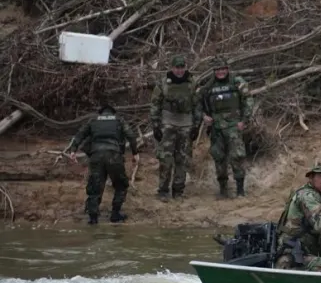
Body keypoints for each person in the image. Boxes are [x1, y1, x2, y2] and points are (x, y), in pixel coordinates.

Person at [66, 104, 139, 225]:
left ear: (101, 113)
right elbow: (131, 136)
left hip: (96, 156)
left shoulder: (93, 120)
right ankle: (115, 214)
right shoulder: (119, 120)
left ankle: (93, 218)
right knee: (121, 184)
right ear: (112, 113)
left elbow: (79, 135)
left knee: (95, 187)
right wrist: (135, 153)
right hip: (114, 156)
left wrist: (73, 150)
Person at [197, 57, 252, 198]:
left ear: (227, 69)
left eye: (223, 69)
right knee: (219, 157)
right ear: (214, 71)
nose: (220, 72)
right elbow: (196, 103)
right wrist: (204, 116)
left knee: (237, 156)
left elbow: (248, 100)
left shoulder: (236, 81)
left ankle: (240, 190)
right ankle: (223, 190)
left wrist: (244, 120)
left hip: (234, 125)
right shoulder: (208, 86)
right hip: (216, 127)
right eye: (217, 70)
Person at [149, 54, 198, 201]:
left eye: (182, 67)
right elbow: (155, 104)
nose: (179, 70)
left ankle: (178, 192)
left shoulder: (191, 83)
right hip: (168, 124)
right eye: (177, 67)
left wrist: (196, 125)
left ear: (185, 68)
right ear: (172, 68)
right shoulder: (163, 83)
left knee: (182, 160)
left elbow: (197, 104)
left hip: (186, 124)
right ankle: (163, 191)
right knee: (166, 159)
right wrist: (156, 125)